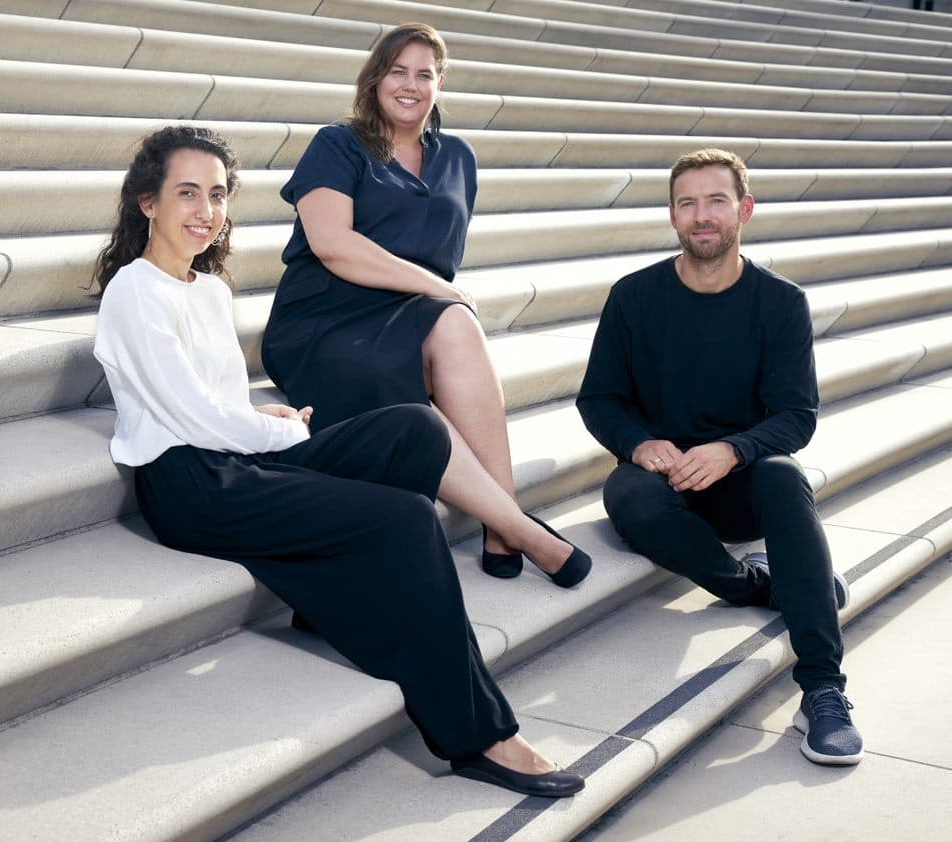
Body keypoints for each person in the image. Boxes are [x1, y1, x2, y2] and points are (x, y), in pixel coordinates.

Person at [92, 125, 584, 797]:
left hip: (230, 455)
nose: (205, 211)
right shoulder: (134, 291)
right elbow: (191, 419)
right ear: (147, 202)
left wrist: (265, 416)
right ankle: (479, 734)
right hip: (191, 485)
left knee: (413, 429)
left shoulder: (206, 288)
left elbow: (214, 399)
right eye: (186, 193)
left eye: (216, 194)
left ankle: (327, 594)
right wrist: (284, 436)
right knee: (405, 517)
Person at [259, 23, 588, 587]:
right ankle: (522, 529)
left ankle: (501, 519)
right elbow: (333, 245)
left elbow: (444, 262)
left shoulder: (458, 157)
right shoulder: (337, 144)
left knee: (458, 321)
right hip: (325, 319)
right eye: (398, 71)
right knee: (441, 316)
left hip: (405, 311)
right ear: (375, 78)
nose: (410, 85)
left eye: (425, 74)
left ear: (439, 84)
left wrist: (438, 294)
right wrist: (433, 287)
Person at [576, 148, 862, 766]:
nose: (701, 216)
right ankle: (758, 586)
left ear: (744, 210)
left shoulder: (780, 303)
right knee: (626, 496)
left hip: (742, 483)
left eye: (716, 201)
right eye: (688, 203)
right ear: (673, 216)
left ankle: (823, 688)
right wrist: (638, 443)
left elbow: (796, 415)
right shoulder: (633, 297)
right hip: (666, 483)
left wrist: (735, 450)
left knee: (786, 477)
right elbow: (599, 398)